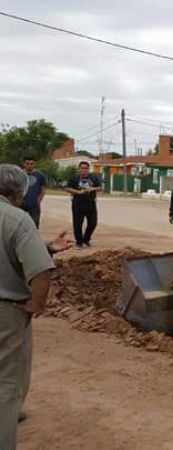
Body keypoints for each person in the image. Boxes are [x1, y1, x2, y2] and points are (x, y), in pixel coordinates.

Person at [0, 164, 72, 450]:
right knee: (7, 382)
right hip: (6, 312)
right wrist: (35, 306)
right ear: (19, 192)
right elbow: (41, 273)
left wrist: (49, 247)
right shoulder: (17, 219)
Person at [64, 161, 102, 249]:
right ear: (79, 169)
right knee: (77, 224)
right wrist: (78, 192)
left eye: (86, 168)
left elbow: (100, 187)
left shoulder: (93, 177)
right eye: (82, 168)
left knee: (93, 222)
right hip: (78, 203)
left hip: (91, 203)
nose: (84, 170)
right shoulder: (74, 178)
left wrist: (92, 189)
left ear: (88, 169)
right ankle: (79, 242)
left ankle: (86, 239)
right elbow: (66, 188)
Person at [20, 157, 47, 229]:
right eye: (27, 163)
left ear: (34, 164)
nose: (29, 165)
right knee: (18, 223)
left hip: (34, 204)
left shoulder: (40, 175)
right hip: (21, 203)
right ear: (24, 164)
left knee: (35, 224)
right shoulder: (19, 174)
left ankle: (33, 239)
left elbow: (43, 189)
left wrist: (39, 199)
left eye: (31, 164)